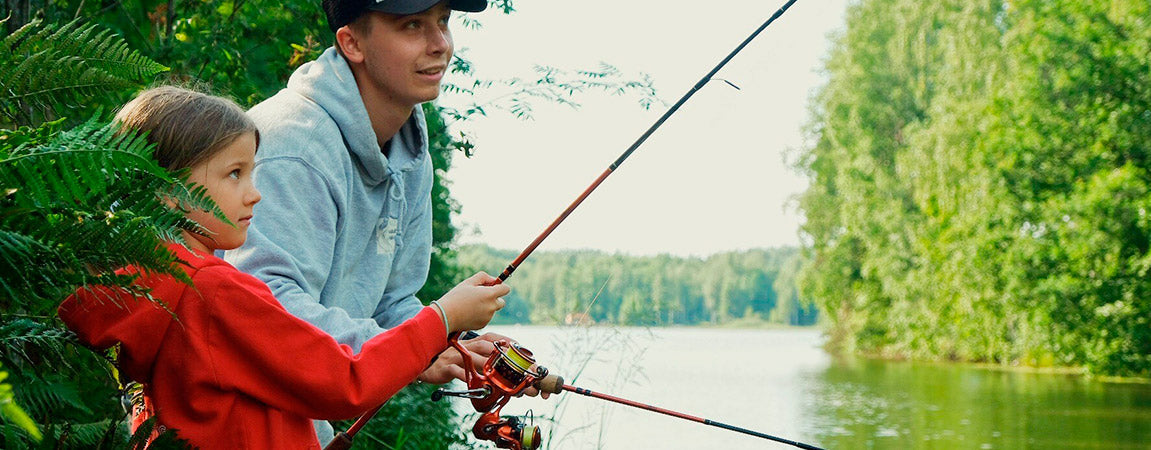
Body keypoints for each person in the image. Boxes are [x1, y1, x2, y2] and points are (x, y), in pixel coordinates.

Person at [57, 86, 510, 449]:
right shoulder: (215, 293)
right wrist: (442, 318)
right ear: (167, 191)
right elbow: (347, 379)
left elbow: (230, 409)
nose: (254, 194)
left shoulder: (142, 286)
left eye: (252, 172)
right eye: (234, 174)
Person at [223, 0, 538, 442]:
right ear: (352, 42)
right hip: (238, 425)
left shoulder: (408, 150)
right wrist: (427, 331)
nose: (440, 45)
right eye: (412, 26)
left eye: (443, 22)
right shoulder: (293, 144)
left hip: (305, 425)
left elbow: (392, 301)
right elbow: (267, 309)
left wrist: (449, 345)